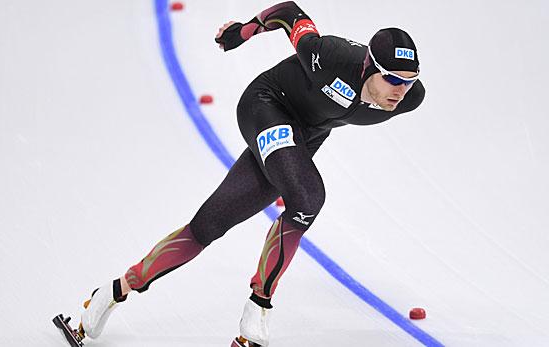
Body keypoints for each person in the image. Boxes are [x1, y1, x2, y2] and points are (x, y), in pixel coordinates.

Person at [71, 1, 425, 346]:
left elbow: (387, 94)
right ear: (368, 66)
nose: (400, 90)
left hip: (306, 134)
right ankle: (258, 308)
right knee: (308, 197)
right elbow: (289, 12)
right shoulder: (330, 57)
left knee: (208, 225)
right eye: (393, 78)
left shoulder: (409, 98)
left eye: (409, 81)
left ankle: (111, 292)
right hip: (267, 105)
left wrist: (403, 88)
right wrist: (243, 31)